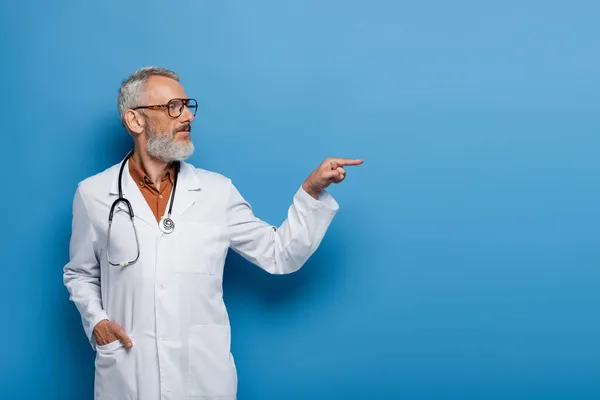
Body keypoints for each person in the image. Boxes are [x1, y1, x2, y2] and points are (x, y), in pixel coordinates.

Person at [63, 66, 363, 400]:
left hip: (202, 379)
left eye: (188, 105)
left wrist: (311, 192)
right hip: (128, 376)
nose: (187, 116)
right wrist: (97, 323)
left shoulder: (216, 192)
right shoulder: (93, 194)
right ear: (135, 121)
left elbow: (280, 254)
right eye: (173, 107)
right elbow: (80, 273)